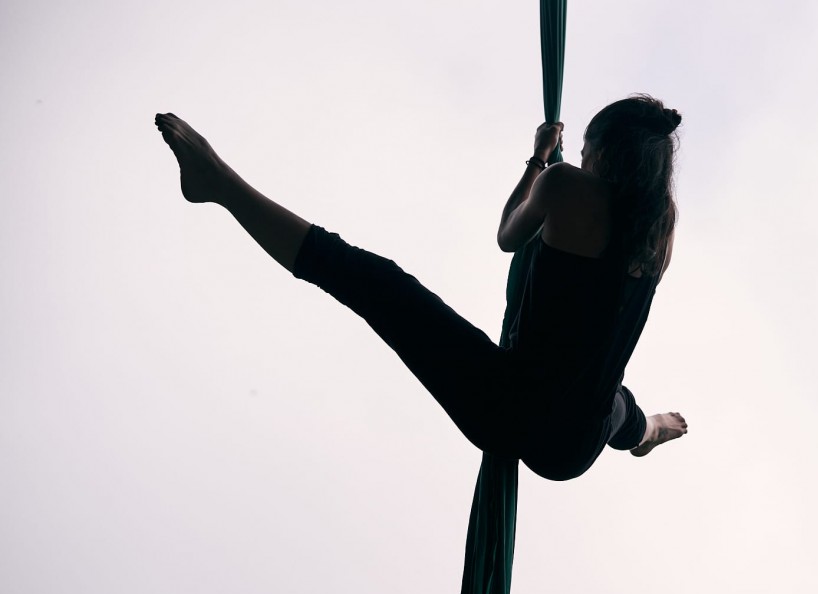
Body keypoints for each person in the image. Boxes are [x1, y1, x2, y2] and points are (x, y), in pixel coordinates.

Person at [154, 94, 687, 481]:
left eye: (587, 150)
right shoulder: (660, 230)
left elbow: (507, 236)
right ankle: (650, 430)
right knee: (608, 394)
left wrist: (539, 161)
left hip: (510, 409)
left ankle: (219, 185)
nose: (582, 159)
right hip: (577, 445)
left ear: (600, 152)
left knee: (375, 283)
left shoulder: (565, 185)